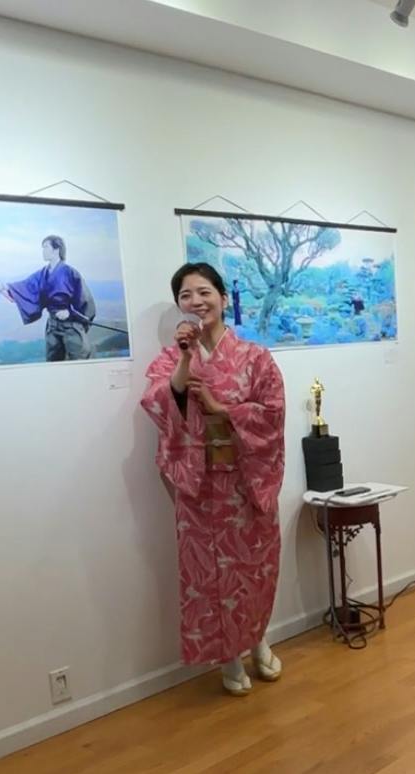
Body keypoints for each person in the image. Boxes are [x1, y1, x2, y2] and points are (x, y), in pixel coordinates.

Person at [141, 263, 287, 696]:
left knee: (254, 570)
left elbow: (273, 414)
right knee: (210, 579)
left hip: (246, 484)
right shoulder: (171, 358)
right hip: (199, 489)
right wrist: (186, 358)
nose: (196, 301)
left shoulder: (256, 357)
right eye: (186, 295)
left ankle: (258, 638)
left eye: (204, 292)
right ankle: (229, 656)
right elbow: (159, 402)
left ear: (223, 298)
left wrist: (225, 410)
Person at [0, 235, 95, 361]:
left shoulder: (71, 273)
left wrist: (69, 313)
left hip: (72, 326)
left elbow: (84, 301)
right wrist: (4, 287)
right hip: (52, 327)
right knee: (53, 362)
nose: (43, 251)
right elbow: (27, 287)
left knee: (78, 361)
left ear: (56, 249)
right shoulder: (42, 274)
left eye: (46, 247)